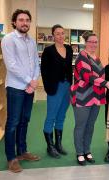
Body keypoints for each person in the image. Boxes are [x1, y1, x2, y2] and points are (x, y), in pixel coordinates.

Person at [1, 9, 40, 173]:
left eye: (27, 20)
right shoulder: (8, 39)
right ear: (15, 22)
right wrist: (29, 81)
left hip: (29, 88)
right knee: (12, 123)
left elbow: (36, 62)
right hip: (16, 88)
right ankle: (11, 158)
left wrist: (34, 81)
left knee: (25, 120)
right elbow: (11, 65)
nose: (25, 23)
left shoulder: (31, 41)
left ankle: (22, 151)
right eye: (21, 20)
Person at [71, 32, 109, 166]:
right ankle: (79, 153)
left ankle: (87, 150)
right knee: (81, 126)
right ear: (85, 42)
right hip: (82, 96)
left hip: (96, 96)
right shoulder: (81, 57)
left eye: (96, 42)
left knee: (90, 126)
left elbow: (101, 75)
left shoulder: (98, 58)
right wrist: (105, 83)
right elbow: (87, 76)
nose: (94, 44)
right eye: (91, 42)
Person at [41, 24, 73, 158]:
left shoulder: (69, 49)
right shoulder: (48, 51)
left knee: (61, 116)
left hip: (67, 87)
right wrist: (48, 88)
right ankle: (50, 146)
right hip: (54, 88)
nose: (61, 36)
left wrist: (71, 85)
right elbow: (44, 71)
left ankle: (58, 145)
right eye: (58, 33)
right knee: (51, 116)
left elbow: (70, 68)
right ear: (53, 35)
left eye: (62, 33)